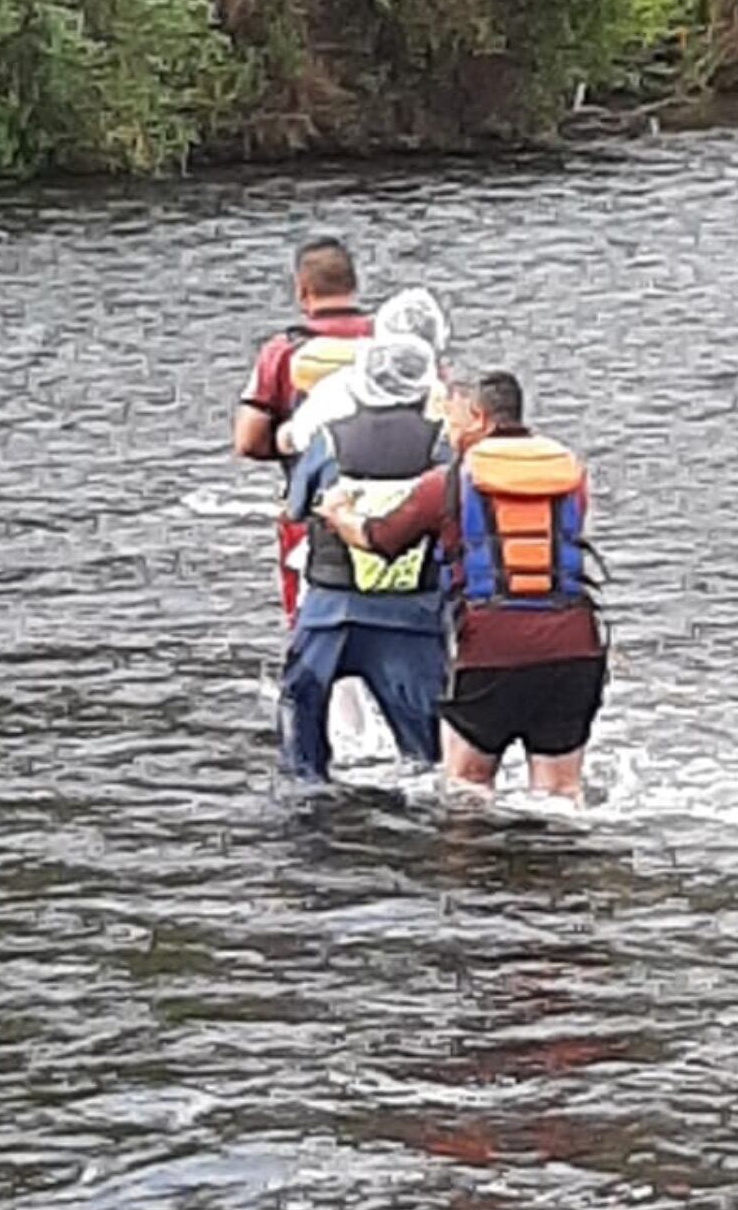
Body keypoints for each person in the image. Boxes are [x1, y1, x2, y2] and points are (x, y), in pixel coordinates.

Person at [319, 369, 605, 801]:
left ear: (477, 416)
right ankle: (559, 866)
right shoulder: (571, 479)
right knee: (561, 793)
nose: (447, 431)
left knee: (468, 788)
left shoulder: (446, 483)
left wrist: (339, 513)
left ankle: (472, 868)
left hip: (491, 650)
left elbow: (380, 539)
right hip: (574, 649)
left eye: (450, 417)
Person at [279, 336, 454, 783]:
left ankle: (311, 817)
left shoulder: (329, 441)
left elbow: (296, 507)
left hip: (329, 612)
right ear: (423, 385)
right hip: (412, 619)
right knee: (426, 761)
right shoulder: (443, 446)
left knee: (302, 735)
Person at [234, 236, 378, 623]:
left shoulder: (282, 351)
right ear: (353, 284)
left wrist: (289, 443)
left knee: (311, 618)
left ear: (302, 290)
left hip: (312, 510)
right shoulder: (395, 344)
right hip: (396, 509)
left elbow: (247, 440)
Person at [283, 287, 450, 459]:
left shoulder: (335, 389)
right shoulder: (445, 403)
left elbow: (294, 439)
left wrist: (287, 435)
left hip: (341, 476)